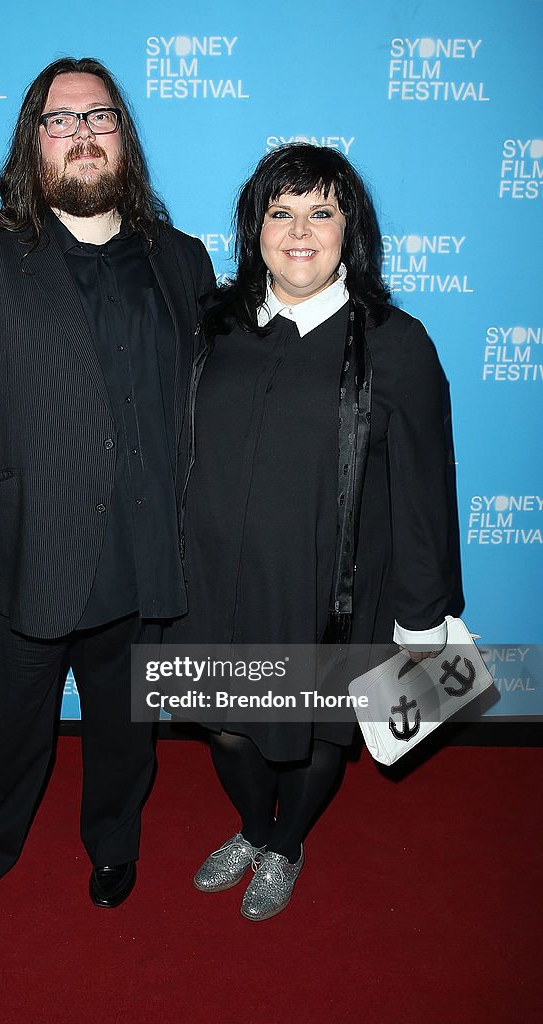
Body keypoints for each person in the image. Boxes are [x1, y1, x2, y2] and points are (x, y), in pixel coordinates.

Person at [0, 56, 214, 925]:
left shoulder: (182, 260)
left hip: (147, 554)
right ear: (32, 143)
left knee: (127, 734)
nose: (83, 133)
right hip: (24, 556)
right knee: (6, 732)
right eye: (60, 120)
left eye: (100, 117)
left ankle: (114, 843)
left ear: (124, 138)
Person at [167, 144, 455, 921]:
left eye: (320, 211)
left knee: (319, 735)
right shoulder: (211, 324)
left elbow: (425, 489)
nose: (300, 230)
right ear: (253, 228)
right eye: (280, 211)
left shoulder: (395, 342)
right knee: (226, 728)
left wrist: (422, 619)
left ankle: (286, 844)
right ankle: (252, 829)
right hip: (214, 579)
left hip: (330, 585)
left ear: (348, 229)